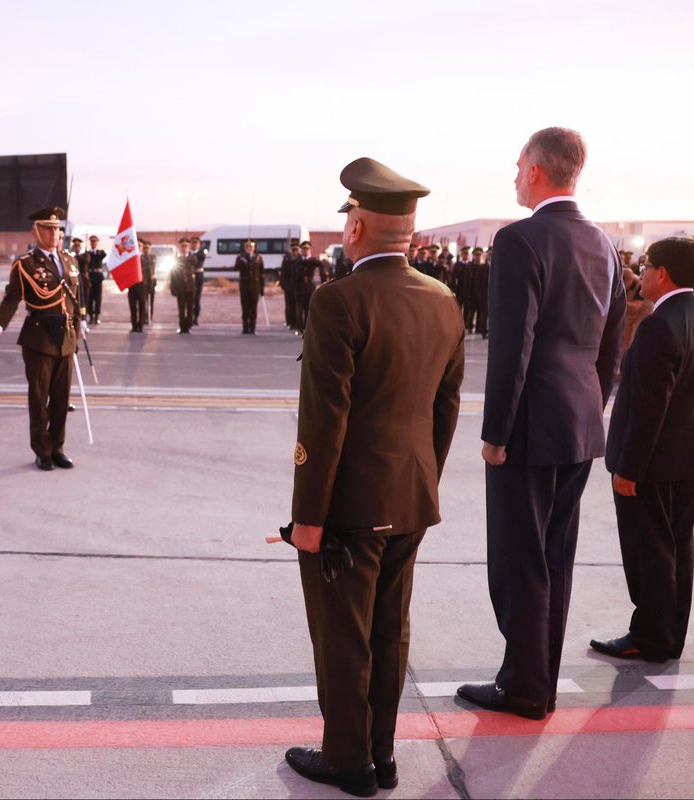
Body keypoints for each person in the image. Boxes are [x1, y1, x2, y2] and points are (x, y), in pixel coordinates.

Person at [279, 157, 463, 798]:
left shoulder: (338, 301)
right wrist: (421, 484)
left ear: (356, 227)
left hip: (349, 506)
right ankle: (380, 756)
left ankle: (348, 761)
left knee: (342, 637)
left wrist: (307, 518)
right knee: (390, 631)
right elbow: (446, 410)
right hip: (411, 497)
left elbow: (323, 422)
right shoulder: (442, 299)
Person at [458, 127, 625, 720]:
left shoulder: (520, 240)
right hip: (579, 425)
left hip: (529, 427)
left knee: (518, 560)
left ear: (536, 170)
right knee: (555, 558)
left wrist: (495, 432)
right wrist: (592, 404)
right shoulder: (602, 244)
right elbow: (612, 342)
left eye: (518, 164)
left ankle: (525, 687)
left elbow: (512, 345)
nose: (514, 175)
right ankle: (534, 680)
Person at [594, 237, 694, 662]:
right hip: (688, 458)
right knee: (677, 548)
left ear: (663, 274)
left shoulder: (659, 326)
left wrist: (629, 468)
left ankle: (650, 635)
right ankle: (670, 634)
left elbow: (649, 408)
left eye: (647, 266)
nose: (643, 273)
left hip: (649, 465)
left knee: (647, 550)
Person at [0, 206, 81, 470]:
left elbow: (75, 302)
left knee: (61, 399)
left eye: (57, 229)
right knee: (39, 399)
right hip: (39, 338)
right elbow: (12, 299)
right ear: (36, 232)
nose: (53, 233)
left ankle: (58, 447)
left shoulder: (70, 261)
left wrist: (77, 336)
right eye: (47, 229)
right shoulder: (25, 264)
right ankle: (42, 450)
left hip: (66, 340)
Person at [620, 266, 654, 374]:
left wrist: (619, 301)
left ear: (630, 279)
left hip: (642, 314)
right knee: (624, 342)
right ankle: (622, 368)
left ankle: (632, 370)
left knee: (634, 341)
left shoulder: (640, 285)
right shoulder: (621, 285)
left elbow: (637, 307)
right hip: (629, 316)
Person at [235, 239, 264, 334]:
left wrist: (262, 289)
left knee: (253, 308)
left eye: (251, 246)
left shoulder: (258, 258)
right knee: (245, 308)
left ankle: (253, 328)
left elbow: (261, 274)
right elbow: (236, 268)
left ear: (254, 247)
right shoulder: (240, 257)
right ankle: (245, 327)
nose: (249, 248)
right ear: (244, 248)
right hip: (244, 286)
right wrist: (241, 262)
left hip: (255, 286)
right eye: (247, 246)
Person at [170, 237, 197, 334]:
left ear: (189, 247)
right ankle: (182, 327)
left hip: (190, 287)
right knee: (181, 309)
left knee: (190, 308)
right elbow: (173, 274)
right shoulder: (176, 258)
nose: (184, 248)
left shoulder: (192, 257)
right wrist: (173, 288)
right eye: (182, 246)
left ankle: (188, 325)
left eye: (186, 246)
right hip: (180, 287)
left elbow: (195, 263)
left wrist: (188, 255)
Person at [128, 239, 151, 333]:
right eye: (136, 245)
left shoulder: (145, 258)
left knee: (142, 306)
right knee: (133, 307)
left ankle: (140, 325)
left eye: (140, 245)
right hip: (132, 286)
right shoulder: (130, 258)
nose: (138, 247)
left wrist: (149, 287)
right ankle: (134, 325)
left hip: (142, 286)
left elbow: (148, 274)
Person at [84, 234, 106, 324]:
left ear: (97, 243)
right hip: (90, 277)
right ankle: (91, 316)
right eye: (92, 242)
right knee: (90, 298)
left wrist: (95, 252)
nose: (93, 243)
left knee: (98, 298)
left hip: (98, 277)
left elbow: (103, 255)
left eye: (95, 242)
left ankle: (96, 316)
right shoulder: (87, 253)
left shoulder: (100, 252)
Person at [280, 239, 300, 330]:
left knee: (297, 305)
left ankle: (297, 322)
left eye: (296, 250)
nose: (294, 252)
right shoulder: (286, 259)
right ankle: (289, 322)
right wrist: (283, 284)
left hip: (298, 286)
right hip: (288, 286)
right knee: (289, 305)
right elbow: (283, 272)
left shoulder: (300, 259)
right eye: (293, 250)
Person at [140, 239, 157, 326]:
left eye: (147, 248)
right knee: (144, 300)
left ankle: (151, 316)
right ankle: (145, 317)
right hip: (143, 281)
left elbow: (150, 265)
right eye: (145, 248)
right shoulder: (140, 258)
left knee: (151, 301)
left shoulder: (153, 257)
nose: (146, 249)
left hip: (151, 281)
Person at [190, 233, 206, 325]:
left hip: (198, 275)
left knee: (197, 298)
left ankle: (195, 317)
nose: (194, 245)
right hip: (189, 277)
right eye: (193, 243)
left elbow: (198, 261)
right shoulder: (189, 253)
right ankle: (189, 316)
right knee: (189, 298)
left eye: (196, 243)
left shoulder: (201, 253)